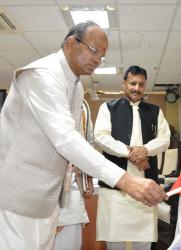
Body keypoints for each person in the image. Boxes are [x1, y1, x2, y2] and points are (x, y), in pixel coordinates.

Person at [0, 22, 166, 250]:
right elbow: (66, 139)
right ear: (71, 43)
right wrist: (126, 180)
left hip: (47, 197)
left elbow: (71, 144)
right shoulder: (42, 76)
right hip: (17, 194)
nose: (98, 60)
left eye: (102, 56)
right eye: (94, 50)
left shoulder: (76, 87)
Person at [94, 65, 171, 250]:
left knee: (143, 241)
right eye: (133, 83)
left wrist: (144, 150)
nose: (137, 88)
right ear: (124, 84)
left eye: (141, 84)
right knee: (114, 241)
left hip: (146, 190)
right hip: (115, 189)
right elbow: (101, 137)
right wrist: (130, 153)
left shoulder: (155, 111)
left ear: (145, 87)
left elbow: (165, 139)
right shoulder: (108, 108)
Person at [54, 99, 94, 250]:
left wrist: (87, 180)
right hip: (43, 193)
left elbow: (88, 146)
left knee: (69, 242)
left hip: (71, 191)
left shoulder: (82, 104)